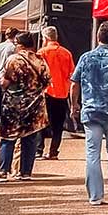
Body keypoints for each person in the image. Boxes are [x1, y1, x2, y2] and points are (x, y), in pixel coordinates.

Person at [70, 21, 108, 205]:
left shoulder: (85, 58)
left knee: (92, 153)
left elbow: (74, 84)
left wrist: (74, 105)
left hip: (92, 111)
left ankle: (95, 196)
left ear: (98, 37)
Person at [0, 31, 50, 182]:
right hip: (36, 105)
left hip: (14, 104)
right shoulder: (41, 60)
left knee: (8, 137)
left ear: (20, 45)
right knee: (30, 138)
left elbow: (5, 82)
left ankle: (2, 172)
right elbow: (47, 81)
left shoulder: (14, 59)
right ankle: (25, 172)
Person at [37, 27, 75, 161]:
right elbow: (72, 74)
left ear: (45, 38)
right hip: (62, 93)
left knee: (41, 123)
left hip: (46, 92)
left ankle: (39, 150)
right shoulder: (67, 53)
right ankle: (53, 151)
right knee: (58, 125)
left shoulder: (41, 53)